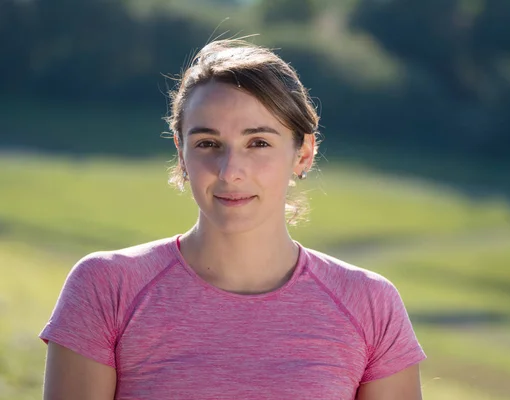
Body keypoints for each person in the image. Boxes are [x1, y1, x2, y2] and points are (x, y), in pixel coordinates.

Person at [40, 39, 426, 400]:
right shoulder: (106, 287)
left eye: (258, 143)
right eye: (208, 144)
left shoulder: (369, 304)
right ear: (181, 152)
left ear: (303, 153)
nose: (230, 171)